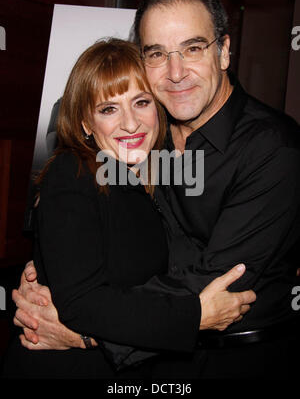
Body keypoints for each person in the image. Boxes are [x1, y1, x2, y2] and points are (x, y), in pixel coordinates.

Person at [10, 0, 300, 378]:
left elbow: (210, 285)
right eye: (158, 54)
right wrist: (52, 271)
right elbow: (86, 220)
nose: (176, 72)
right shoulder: (144, 139)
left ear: (224, 52)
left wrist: (84, 330)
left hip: (233, 361)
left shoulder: (273, 150)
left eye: (193, 48)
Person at [1, 38, 254, 379]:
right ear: (85, 124)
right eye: (109, 109)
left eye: (141, 102)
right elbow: (82, 302)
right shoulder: (72, 173)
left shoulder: (161, 173)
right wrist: (195, 316)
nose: (131, 124)